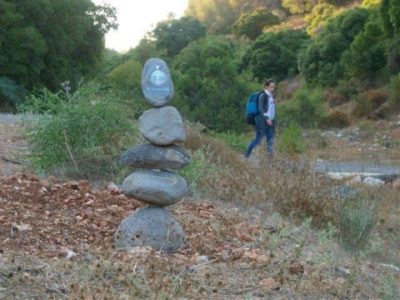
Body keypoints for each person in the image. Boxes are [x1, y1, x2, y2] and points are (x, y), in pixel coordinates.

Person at [244, 79, 276, 158]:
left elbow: (271, 110)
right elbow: (260, 108)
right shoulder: (263, 95)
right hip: (262, 120)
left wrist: (272, 120)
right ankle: (246, 155)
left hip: (270, 121)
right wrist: (267, 118)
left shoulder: (270, 96)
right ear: (266, 86)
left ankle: (270, 161)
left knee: (270, 141)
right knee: (258, 140)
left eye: (273, 87)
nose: (273, 88)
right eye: (271, 87)